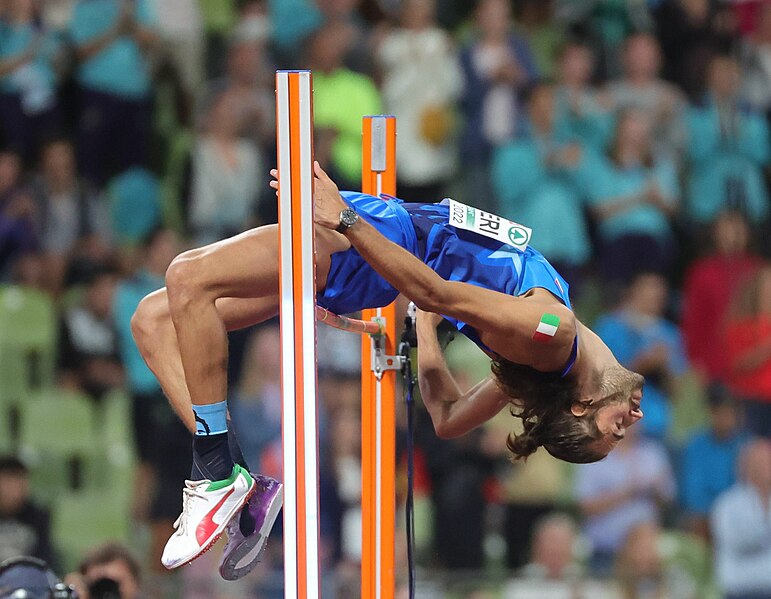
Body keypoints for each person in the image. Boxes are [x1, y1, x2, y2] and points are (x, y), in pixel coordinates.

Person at [131, 163, 645, 573]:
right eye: (620, 432)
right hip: (388, 234)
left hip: (372, 240)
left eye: (612, 432)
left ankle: (217, 474)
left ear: (582, 404)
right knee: (152, 322)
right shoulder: (549, 357)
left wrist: (347, 222)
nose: (631, 422)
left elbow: (434, 292)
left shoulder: (552, 330)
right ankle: (242, 485)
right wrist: (422, 328)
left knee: (188, 276)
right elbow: (447, 419)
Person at [711, 439, 771, 599]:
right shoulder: (727, 504)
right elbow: (739, 542)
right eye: (760, 462)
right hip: (740, 591)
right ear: (745, 465)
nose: (766, 467)